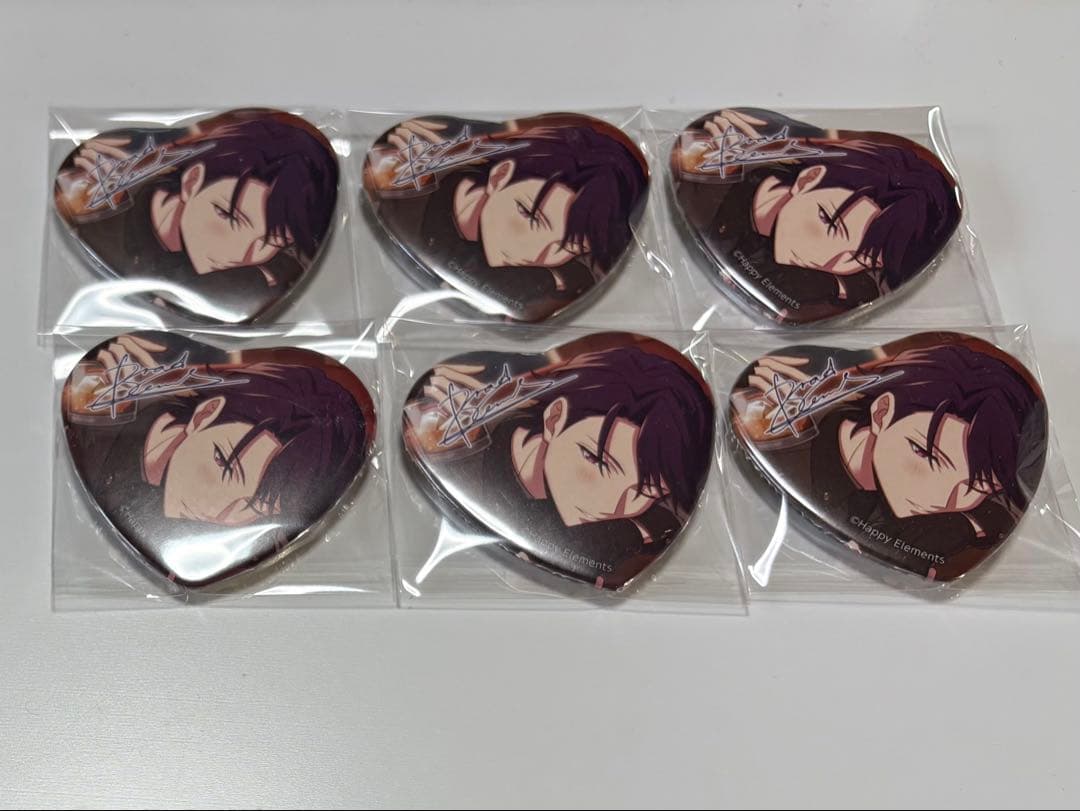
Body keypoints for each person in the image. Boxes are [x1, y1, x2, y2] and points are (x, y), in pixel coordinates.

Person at [404, 341, 713, 588]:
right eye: (596, 460)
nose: (611, 506)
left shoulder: (646, 530)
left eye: (645, 493)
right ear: (555, 419)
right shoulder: (457, 458)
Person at [65, 334, 369, 583]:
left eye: (255, 507)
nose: (219, 512)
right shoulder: (106, 402)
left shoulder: (223, 542)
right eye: (223, 463)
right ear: (205, 414)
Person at [731, 340, 1047, 578]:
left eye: (977, 487)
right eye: (924, 454)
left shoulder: (963, 528)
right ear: (882, 413)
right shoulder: (782, 442)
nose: (942, 499)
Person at [674, 108, 961, 322]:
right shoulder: (711, 183)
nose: (829, 260)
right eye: (830, 224)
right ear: (808, 179)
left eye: (860, 259)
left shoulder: (830, 292)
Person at [55, 109, 339, 322]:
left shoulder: (277, 271)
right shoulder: (103, 224)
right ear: (192, 181)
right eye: (228, 216)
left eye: (272, 242)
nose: (239, 253)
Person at [364, 115, 648, 321]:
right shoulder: (404, 199)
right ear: (500, 176)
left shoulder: (557, 287)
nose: (537, 253)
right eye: (531, 217)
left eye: (568, 247)